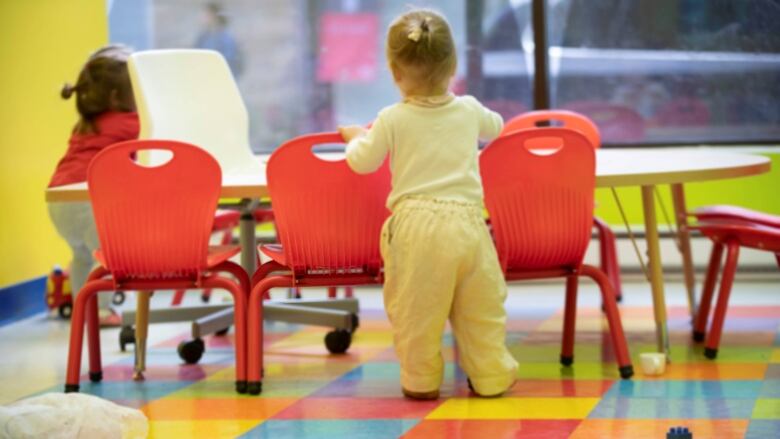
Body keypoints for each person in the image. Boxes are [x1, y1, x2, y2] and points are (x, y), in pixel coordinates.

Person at [338, 9, 518, 400]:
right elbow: (498, 126)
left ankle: (421, 381)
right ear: (453, 65)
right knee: (481, 309)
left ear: (394, 72)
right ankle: (491, 375)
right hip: (469, 225)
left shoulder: (391, 119)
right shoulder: (469, 109)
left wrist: (354, 137)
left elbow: (363, 161)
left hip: (417, 227)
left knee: (417, 311)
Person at [48, 44, 139, 327]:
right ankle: (100, 311)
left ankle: (83, 308)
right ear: (115, 97)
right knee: (107, 254)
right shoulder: (130, 122)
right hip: (87, 199)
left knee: (82, 256)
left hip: (58, 200)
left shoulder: (86, 123)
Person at [194, 2, 244, 78]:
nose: (203, 17)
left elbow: (228, 62)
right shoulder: (203, 37)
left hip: (220, 79)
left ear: (213, 16)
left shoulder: (226, 39)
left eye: (206, 15)